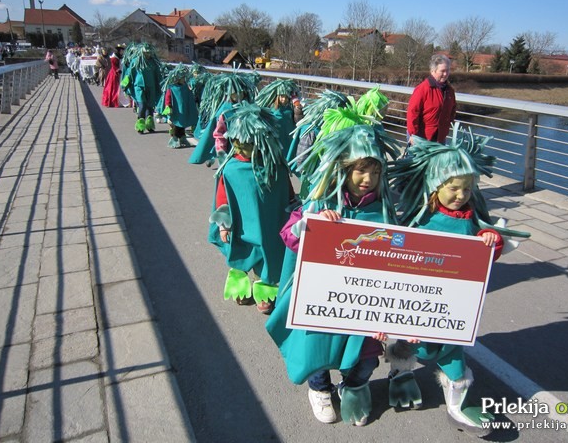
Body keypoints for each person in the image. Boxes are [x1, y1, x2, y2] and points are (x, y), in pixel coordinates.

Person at [385, 123, 530, 436]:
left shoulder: (472, 219)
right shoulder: (418, 220)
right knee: (404, 350)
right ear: (435, 185)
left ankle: (457, 405)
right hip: (416, 308)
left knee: (456, 365)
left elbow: (488, 249)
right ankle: (399, 376)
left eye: (467, 188)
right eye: (454, 188)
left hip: (451, 313)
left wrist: (491, 238)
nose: (461, 195)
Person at [266, 116, 402, 427]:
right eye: (361, 169)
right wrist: (313, 225)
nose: (368, 178)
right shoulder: (321, 201)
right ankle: (320, 388)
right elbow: (289, 235)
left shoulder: (382, 210)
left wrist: (387, 313)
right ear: (344, 168)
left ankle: (353, 385)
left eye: (376, 171)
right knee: (318, 349)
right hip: (322, 298)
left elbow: (395, 263)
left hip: (360, 302)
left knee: (367, 356)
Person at [208, 102, 294, 314]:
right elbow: (223, 197)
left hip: (269, 222)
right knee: (242, 252)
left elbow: (287, 193)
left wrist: (293, 212)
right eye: (235, 140)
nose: (238, 145)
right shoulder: (231, 168)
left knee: (267, 253)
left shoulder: (275, 166)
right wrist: (224, 224)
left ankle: (263, 287)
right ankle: (240, 285)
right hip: (241, 224)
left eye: (245, 142)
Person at [406, 54, 456, 144]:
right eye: (442, 71)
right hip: (422, 137)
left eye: (447, 70)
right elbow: (412, 113)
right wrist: (413, 134)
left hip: (440, 137)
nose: (445, 74)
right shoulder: (423, 89)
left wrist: (447, 126)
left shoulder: (449, 90)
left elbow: (452, 110)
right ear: (433, 71)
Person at [120, 42, 163, 134]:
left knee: (150, 106)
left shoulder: (153, 63)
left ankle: (149, 125)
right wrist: (125, 84)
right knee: (142, 105)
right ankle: (140, 125)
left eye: (149, 52)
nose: (148, 54)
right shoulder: (136, 61)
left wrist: (162, 84)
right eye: (146, 52)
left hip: (151, 87)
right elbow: (129, 73)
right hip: (139, 86)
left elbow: (157, 75)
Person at [161, 64, 198, 148]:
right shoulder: (172, 88)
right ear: (177, 79)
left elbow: (189, 96)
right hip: (177, 110)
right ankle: (174, 139)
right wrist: (168, 106)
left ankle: (182, 138)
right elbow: (168, 97)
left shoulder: (185, 87)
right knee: (178, 124)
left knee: (183, 124)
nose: (183, 80)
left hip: (184, 109)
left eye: (184, 78)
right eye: (182, 78)